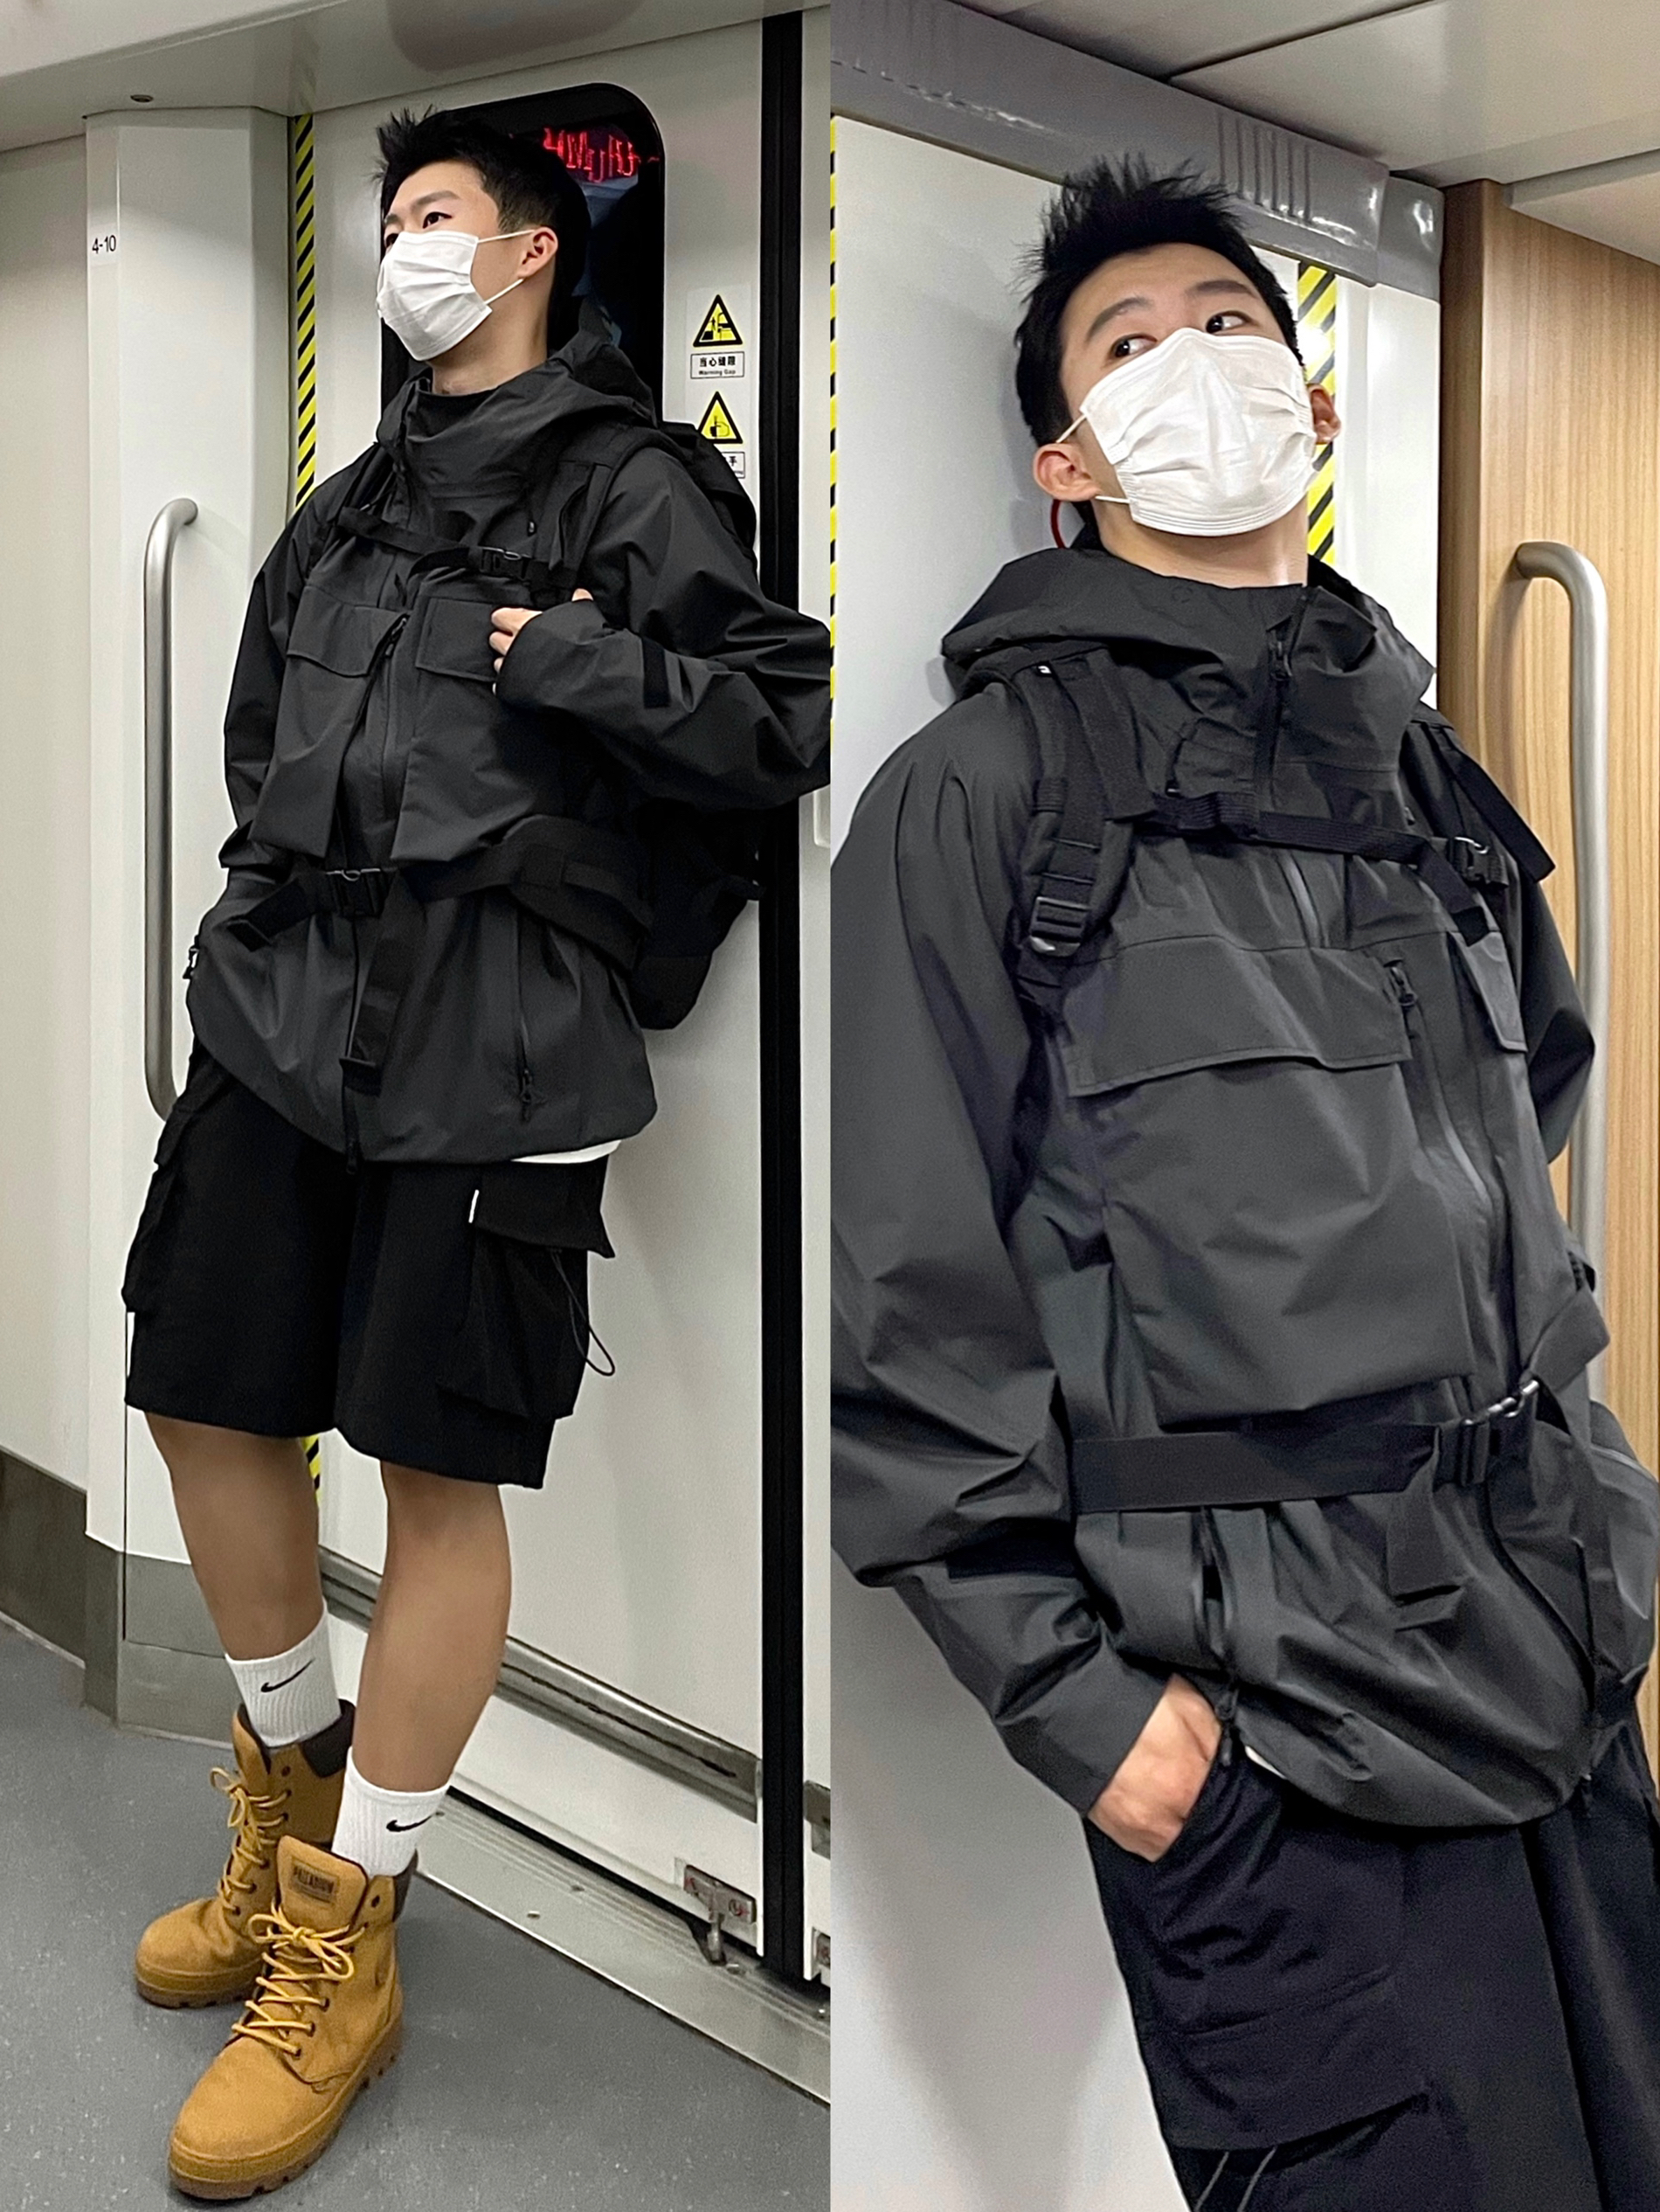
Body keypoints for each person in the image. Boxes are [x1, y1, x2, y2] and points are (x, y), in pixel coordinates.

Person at [832, 160, 1660, 2211]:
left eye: (1229, 327)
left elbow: (1523, 1111)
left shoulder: (1420, 763)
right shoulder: (978, 800)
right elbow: (907, 1291)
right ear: (1066, 456)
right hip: (1271, 1728)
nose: (1191, 364)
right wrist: (1080, 1705)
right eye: (1128, 345)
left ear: (1311, 407)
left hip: (1549, 1643)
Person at [125, 107, 829, 2201]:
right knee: (201, 1396)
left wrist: (590, 662)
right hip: (288, 1023)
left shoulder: (635, 480)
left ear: (531, 250)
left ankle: (345, 1941)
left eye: (434, 214)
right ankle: (294, 1804)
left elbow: (778, 719)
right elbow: (263, 733)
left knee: (434, 1473)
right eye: (390, 218)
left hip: (496, 1046)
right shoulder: (352, 502)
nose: (400, 245)